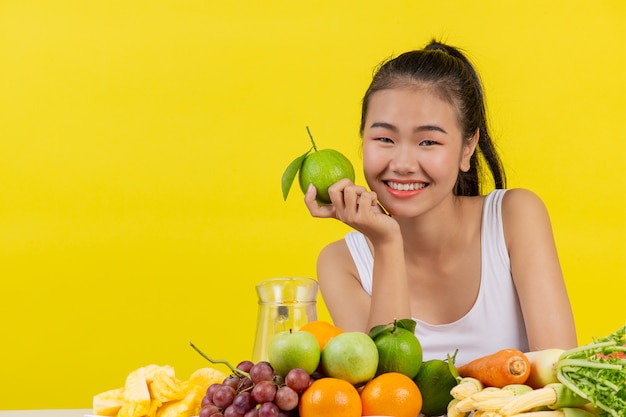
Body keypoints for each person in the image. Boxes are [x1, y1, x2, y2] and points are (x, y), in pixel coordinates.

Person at [304, 40, 577, 365]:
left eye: (428, 141)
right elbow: (383, 398)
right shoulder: (342, 263)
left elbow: (559, 376)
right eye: (384, 139)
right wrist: (387, 243)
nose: (403, 163)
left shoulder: (515, 218)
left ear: (467, 147)